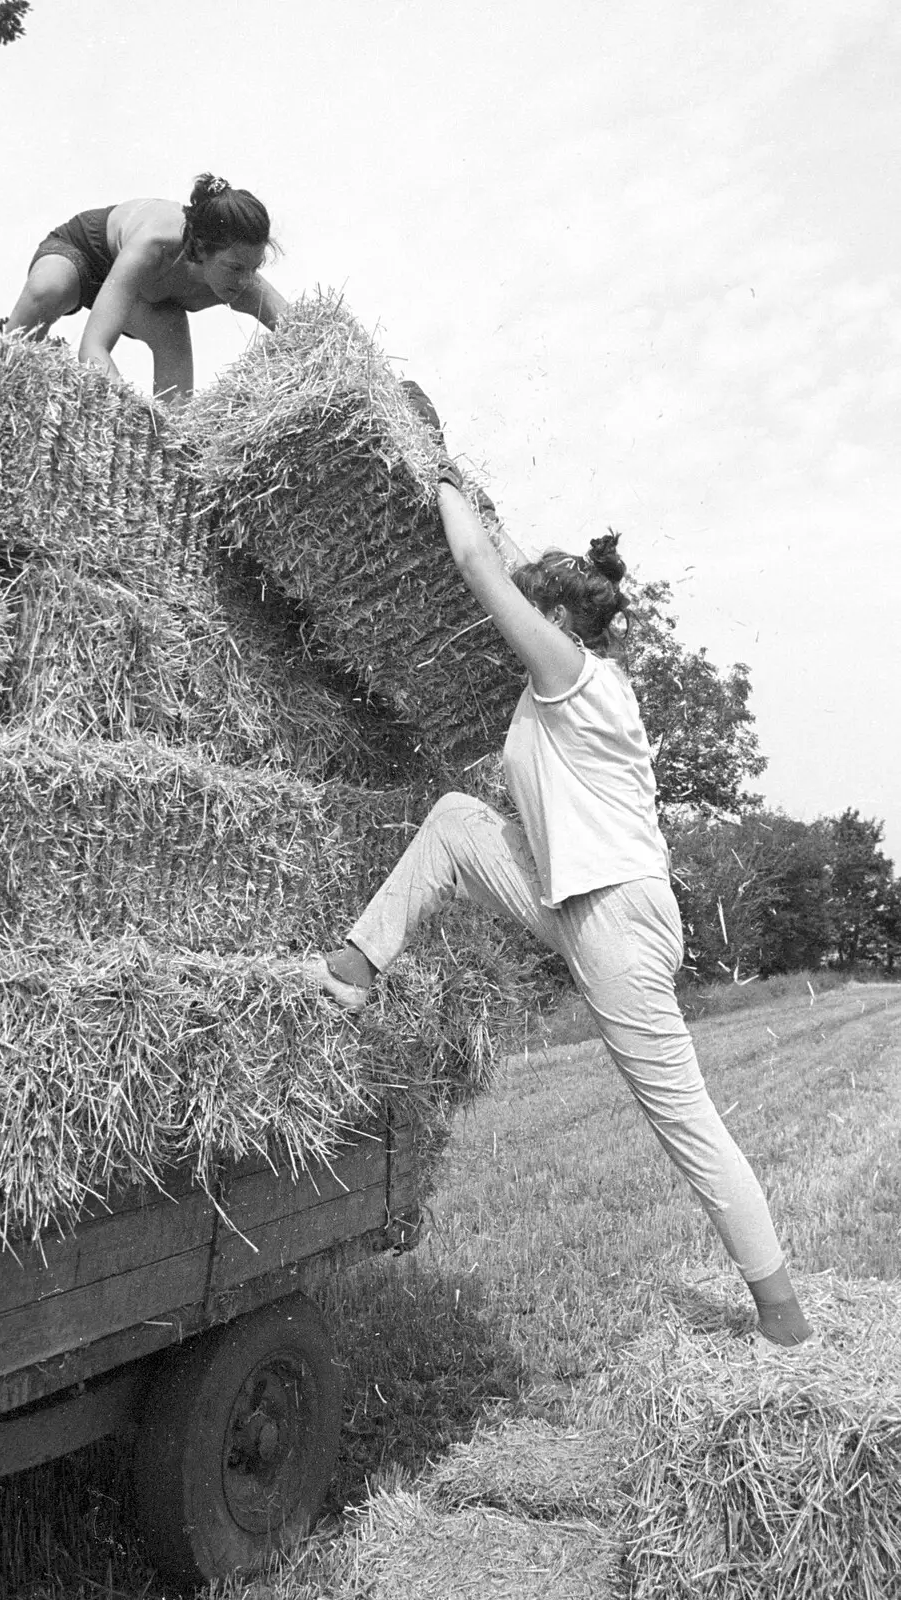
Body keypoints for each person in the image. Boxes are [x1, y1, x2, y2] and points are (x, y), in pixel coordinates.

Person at [311, 460, 813, 1348]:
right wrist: (457, 468)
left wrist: (429, 475)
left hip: (613, 917)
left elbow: (479, 566)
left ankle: (782, 1314)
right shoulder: (583, 676)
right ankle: (353, 967)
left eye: (536, 608)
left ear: (563, 623)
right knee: (460, 822)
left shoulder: (573, 675)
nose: (517, 620)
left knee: (683, 1119)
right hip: (585, 903)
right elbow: (501, 553)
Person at [6, 174, 287, 399]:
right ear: (202, 249)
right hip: (90, 255)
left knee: (172, 331)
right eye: (236, 268)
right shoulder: (154, 245)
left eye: (254, 267)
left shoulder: (244, 281)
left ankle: (169, 457)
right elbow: (93, 347)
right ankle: (1, 377)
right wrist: (127, 419)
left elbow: (310, 334)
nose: (245, 280)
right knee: (48, 288)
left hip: (143, 298)